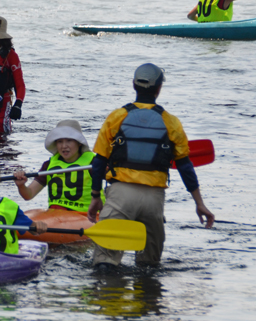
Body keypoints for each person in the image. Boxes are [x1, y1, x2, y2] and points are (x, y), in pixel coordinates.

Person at [88, 63, 215, 269]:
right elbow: (185, 166)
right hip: (154, 201)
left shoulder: (116, 117)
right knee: (149, 268)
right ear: (159, 89)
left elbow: (99, 161)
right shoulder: (171, 122)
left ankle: (109, 296)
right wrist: (199, 203)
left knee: (105, 263)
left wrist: (95, 197)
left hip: (120, 195)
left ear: (133, 85)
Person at [13, 120, 103, 213]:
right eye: (60, 141)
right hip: (57, 216)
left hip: (85, 216)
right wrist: (21, 185)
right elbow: (29, 195)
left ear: (79, 142)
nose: (64, 146)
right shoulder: (48, 165)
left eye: (69, 140)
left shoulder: (94, 163)